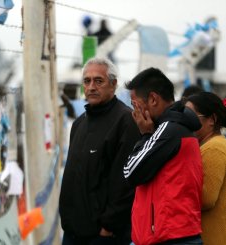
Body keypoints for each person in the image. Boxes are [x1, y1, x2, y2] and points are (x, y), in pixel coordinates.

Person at [59, 57, 140, 245]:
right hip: (71, 232)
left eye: (98, 81)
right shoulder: (79, 123)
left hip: (103, 236)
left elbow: (126, 182)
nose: (91, 87)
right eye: (87, 81)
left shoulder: (126, 121)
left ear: (113, 84)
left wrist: (109, 226)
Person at [123, 67, 203, 245]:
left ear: (153, 99)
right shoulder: (178, 127)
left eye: (135, 104)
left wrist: (145, 134)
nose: (133, 112)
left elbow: (130, 171)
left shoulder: (169, 129)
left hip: (170, 237)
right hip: (175, 234)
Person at [185, 92, 226, 245]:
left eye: (191, 116)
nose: (185, 121)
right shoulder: (209, 146)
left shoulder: (214, 148)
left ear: (212, 119)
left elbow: (206, 199)